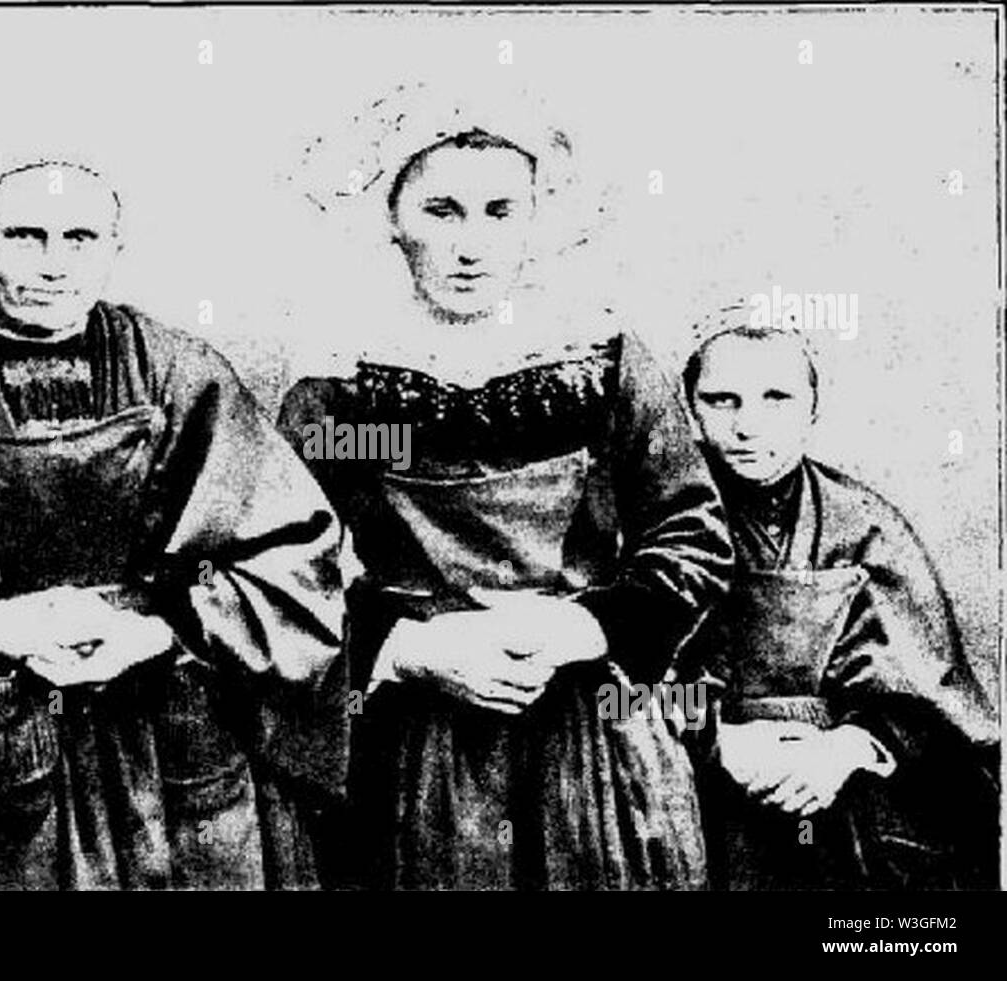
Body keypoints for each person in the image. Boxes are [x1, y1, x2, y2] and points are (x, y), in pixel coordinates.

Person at [0, 160, 349, 890]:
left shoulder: (184, 376)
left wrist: (161, 628)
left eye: (79, 237)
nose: (53, 264)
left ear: (113, 245)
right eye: (25, 236)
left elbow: (295, 555)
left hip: (177, 748)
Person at [277, 92, 734, 890]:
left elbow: (689, 533)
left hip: (591, 730)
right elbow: (280, 563)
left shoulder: (604, 364)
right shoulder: (346, 392)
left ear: (536, 219)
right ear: (391, 217)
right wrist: (411, 648)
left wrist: (583, 626)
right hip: (416, 736)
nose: (470, 246)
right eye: (441, 212)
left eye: (499, 212)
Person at [680, 324, 999, 889]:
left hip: (836, 804)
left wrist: (845, 750)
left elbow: (939, 709)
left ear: (812, 411)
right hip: (686, 787)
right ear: (690, 409)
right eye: (721, 400)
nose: (747, 425)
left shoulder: (866, 526)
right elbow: (610, 692)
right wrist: (715, 741)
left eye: (776, 399)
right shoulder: (653, 524)